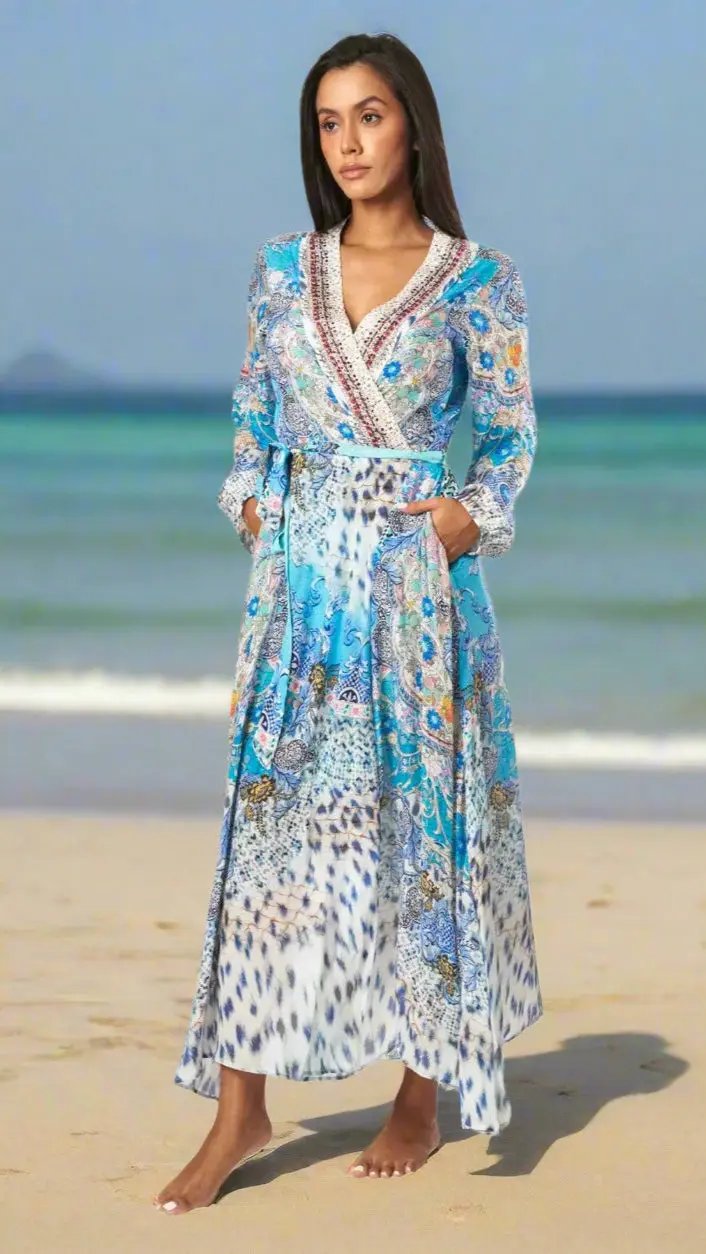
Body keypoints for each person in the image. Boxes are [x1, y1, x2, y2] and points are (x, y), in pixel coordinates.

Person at [154, 30, 542, 1215]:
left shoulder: (479, 279)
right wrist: (261, 507)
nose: (349, 143)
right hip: (300, 596)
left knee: (421, 833)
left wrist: (462, 523)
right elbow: (250, 420)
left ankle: (419, 1094)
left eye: (368, 117)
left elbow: (513, 435)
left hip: (417, 594)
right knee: (270, 852)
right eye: (329, 124)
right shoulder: (282, 269)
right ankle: (240, 1107)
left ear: (412, 124)